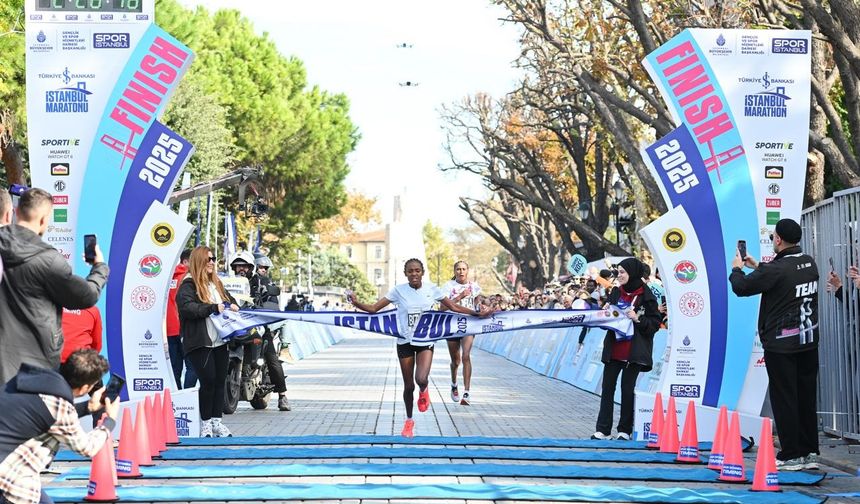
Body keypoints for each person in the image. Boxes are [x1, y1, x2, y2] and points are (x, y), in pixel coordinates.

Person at [348, 258, 493, 437]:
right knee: (409, 386)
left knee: (421, 379)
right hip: (405, 342)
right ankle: (409, 421)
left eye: (417, 270)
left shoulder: (432, 289)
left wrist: (476, 314)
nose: (414, 274)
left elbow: (453, 306)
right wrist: (356, 303)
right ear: (405, 274)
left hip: (425, 341)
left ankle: (424, 390)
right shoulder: (398, 291)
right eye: (410, 271)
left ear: (422, 272)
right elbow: (373, 309)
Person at [729, 218, 820, 471]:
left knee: (785, 399)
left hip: (782, 345)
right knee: (806, 398)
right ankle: (809, 452)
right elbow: (782, 277)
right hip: (808, 342)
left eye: (773, 237)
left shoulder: (776, 270)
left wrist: (737, 269)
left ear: (778, 239)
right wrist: (758, 265)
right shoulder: (809, 263)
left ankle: (791, 455)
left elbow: (742, 287)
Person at [0, 188, 109, 385]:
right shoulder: (49, 260)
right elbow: (87, 296)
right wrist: (99, 267)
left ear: (15, 213)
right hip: (33, 369)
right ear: (44, 219)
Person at [0, 349, 119, 504]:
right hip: (10, 474)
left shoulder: (33, 380)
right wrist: (110, 421)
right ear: (85, 388)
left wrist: (88, 407)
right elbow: (87, 447)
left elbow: (45, 414)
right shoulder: (60, 407)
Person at [592, 257, 661, 441]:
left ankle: (624, 430)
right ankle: (603, 430)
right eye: (618, 272)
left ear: (633, 273)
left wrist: (637, 318)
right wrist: (605, 314)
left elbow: (654, 325)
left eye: (622, 272)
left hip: (634, 352)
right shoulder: (616, 292)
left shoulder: (647, 296)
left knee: (627, 390)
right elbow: (606, 323)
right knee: (607, 388)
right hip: (614, 350)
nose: (619, 275)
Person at [176, 246, 238, 438]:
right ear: (198, 261)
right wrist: (212, 308)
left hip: (220, 341)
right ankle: (205, 425)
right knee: (208, 381)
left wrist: (233, 305)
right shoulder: (188, 284)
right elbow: (187, 308)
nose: (212, 262)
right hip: (200, 342)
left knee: (220, 381)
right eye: (208, 258)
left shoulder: (216, 283)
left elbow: (229, 300)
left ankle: (216, 423)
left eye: (213, 258)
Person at [250, 255, 290, 411]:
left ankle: (282, 396)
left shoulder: (268, 284)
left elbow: (274, 309)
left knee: (272, 358)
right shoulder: (241, 283)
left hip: (262, 327)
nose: (263, 270)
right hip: (243, 325)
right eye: (261, 267)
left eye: (265, 268)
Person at [440, 260, 481, 405]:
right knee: (455, 361)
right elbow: (442, 308)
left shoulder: (474, 287)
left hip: (468, 325)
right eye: (458, 269)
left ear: (467, 271)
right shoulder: (448, 286)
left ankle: (467, 392)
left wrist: (481, 308)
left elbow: (478, 304)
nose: (461, 272)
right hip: (452, 325)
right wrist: (460, 296)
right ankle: (454, 384)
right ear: (454, 271)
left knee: (466, 356)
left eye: (464, 269)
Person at [167, 249, 197, 389]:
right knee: (193, 366)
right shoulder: (189, 279)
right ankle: (187, 397)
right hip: (185, 328)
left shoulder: (168, 277)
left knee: (175, 368)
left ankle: (177, 396)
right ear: (185, 261)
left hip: (169, 329)